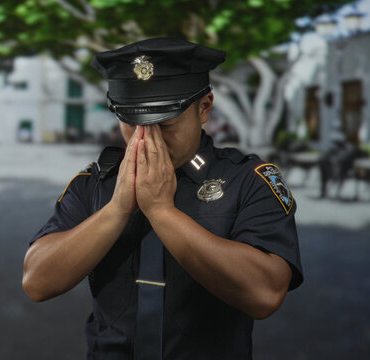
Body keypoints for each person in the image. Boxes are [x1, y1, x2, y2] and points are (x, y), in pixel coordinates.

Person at [23, 38, 303, 359]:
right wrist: (115, 211)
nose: (147, 137)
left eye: (166, 123)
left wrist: (162, 213)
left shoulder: (248, 180)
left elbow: (265, 295)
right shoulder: (96, 182)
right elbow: (37, 282)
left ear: (204, 108)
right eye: (133, 122)